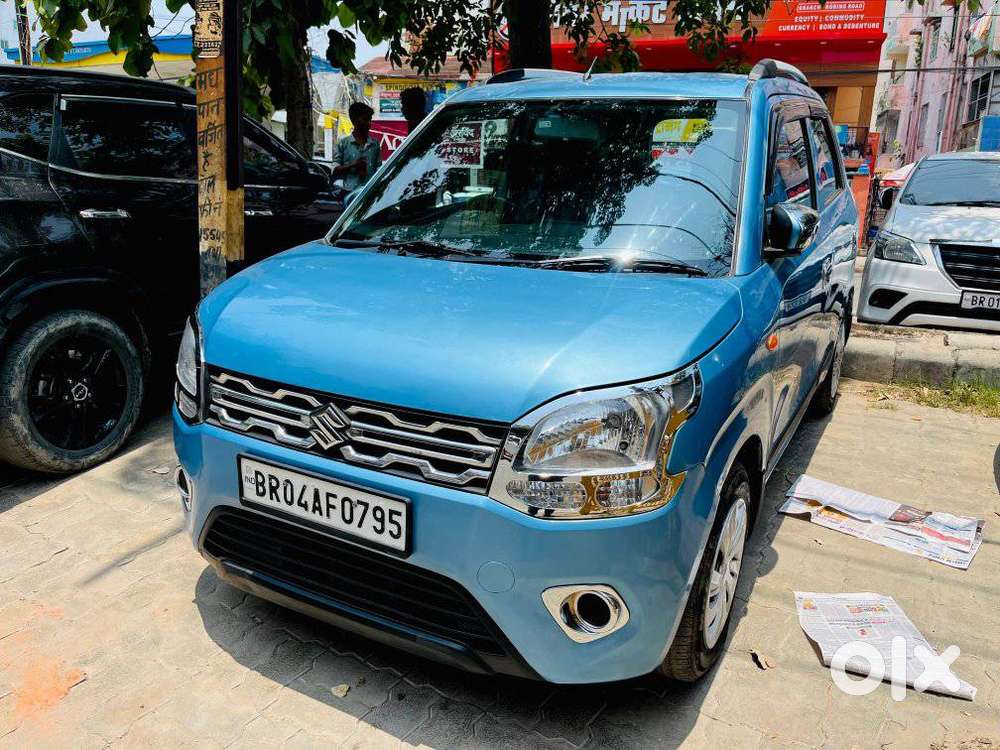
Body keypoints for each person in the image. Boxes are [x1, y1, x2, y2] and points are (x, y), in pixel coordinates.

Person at [333, 102, 381, 191]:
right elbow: (335, 171)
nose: (369, 123)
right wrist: (353, 165)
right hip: (349, 195)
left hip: (369, 194)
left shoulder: (375, 144)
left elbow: (379, 171)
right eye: (365, 119)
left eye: (370, 120)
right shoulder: (343, 143)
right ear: (354, 120)